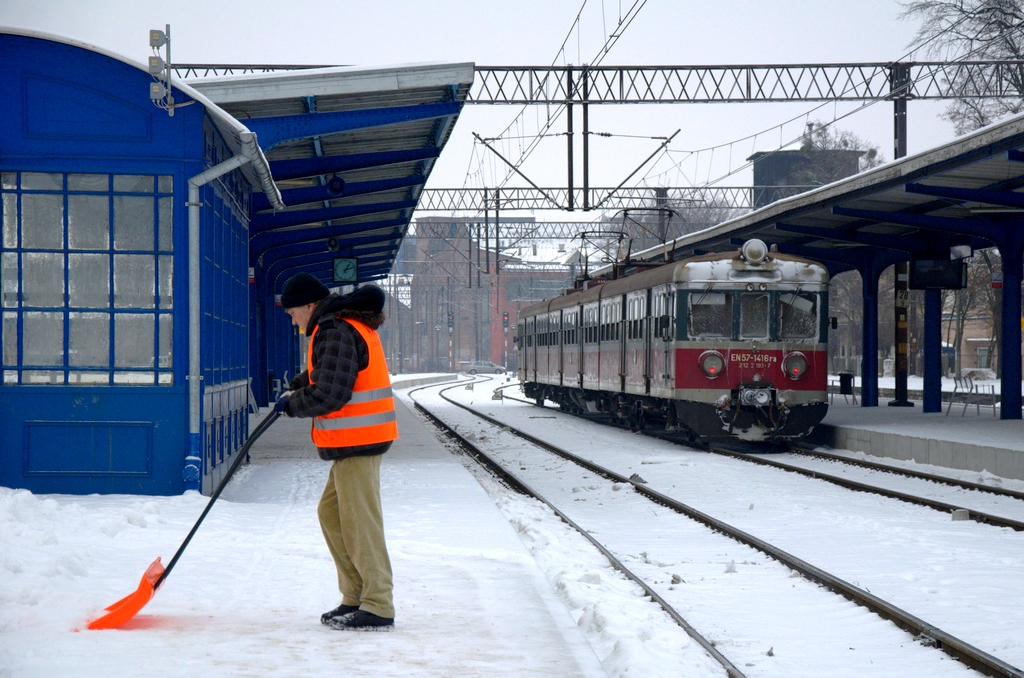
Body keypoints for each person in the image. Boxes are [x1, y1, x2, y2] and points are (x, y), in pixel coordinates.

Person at [274, 273, 398, 631]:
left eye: (293, 311)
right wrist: (299, 385)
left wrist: (292, 405)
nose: (291, 318)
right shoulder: (336, 328)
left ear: (309, 305)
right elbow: (331, 372)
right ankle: (356, 595)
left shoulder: (334, 329)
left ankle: (378, 605)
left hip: (359, 441)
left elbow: (330, 394)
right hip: (353, 442)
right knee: (332, 514)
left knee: (361, 522)